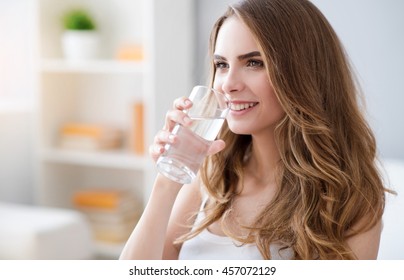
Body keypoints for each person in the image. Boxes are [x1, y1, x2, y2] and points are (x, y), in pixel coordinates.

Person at [119, 0, 389, 260]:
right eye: (222, 65)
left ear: (304, 74)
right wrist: (168, 180)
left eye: (254, 63)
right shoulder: (210, 175)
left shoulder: (351, 199)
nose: (227, 84)